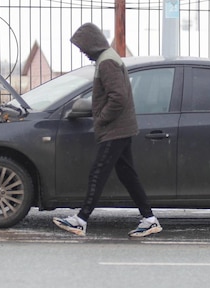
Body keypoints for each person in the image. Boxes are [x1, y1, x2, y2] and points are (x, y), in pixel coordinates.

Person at [53, 23, 162, 237]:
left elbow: (118, 97)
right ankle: (149, 219)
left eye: (82, 48)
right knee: (127, 174)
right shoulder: (107, 59)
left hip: (116, 129)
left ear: (92, 44)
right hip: (121, 127)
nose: (82, 52)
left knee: (98, 172)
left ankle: (81, 220)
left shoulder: (107, 63)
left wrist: (102, 119)